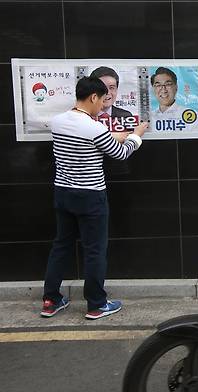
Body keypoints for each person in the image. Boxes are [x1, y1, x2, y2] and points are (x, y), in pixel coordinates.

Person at [40, 76, 148, 320]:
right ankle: (97, 304)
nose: (103, 106)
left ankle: (50, 300)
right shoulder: (93, 128)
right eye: (101, 101)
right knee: (95, 250)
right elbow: (120, 153)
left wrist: (114, 136)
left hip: (63, 193)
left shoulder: (58, 122)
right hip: (90, 196)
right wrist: (137, 135)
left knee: (61, 246)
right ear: (92, 97)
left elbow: (93, 141)